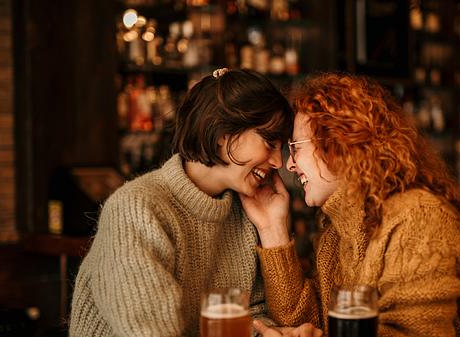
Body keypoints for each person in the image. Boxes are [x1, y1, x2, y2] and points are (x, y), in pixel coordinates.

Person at [241, 72, 460, 336]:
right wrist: (272, 229)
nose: (289, 163)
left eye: (296, 147)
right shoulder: (337, 232)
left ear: (339, 142)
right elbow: (307, 324)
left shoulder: (417, 218)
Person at [69, 68, 296, 337]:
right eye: (270, 143)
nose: (278, 163)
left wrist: (271, 333)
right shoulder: (136, 209)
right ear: (223, 132)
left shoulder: (245, 212)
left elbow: (255, 314)